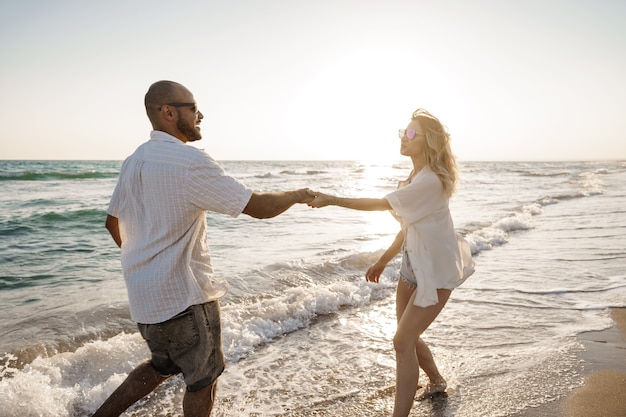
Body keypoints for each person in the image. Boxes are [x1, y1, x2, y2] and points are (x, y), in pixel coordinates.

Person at [95, 80, 314, 417]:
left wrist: (144, 263)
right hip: (185, 299)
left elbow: (113, 222)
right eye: (193, 107)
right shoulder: (187, 162)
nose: (201, 115)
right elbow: (257, 207)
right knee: (203, 379)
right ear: (168, 112)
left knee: (160, 364)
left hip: (145, 299)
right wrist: (297, 195)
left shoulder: (133, 160)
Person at [308, 109, 474, 417]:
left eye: (412, 133)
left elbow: (381, 204)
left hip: (435, 274)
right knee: (406, 335)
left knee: (402, 341)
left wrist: (332, 199)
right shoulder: (410, 179)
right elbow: (407, 228)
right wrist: (383, 260)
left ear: (430, 141)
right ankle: (436, 380)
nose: (404, 137)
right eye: (403, 131)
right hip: (412, 269)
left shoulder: (431, 182)